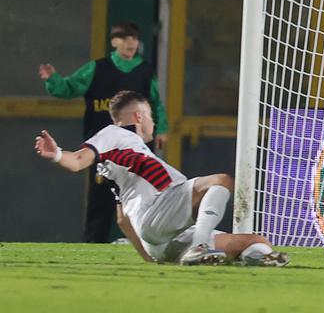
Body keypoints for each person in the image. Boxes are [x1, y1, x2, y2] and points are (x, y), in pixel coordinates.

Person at [34, 90, 288, 267]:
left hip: (162, 239)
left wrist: (148, 257)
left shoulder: (126, 158)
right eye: (152, 117)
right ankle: (199, 248)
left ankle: (248, 257)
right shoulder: (114, 134)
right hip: (159, 214)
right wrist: (56, 154)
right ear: (139, 116)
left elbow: (122, 219)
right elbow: (78, 161)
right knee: (221, 180)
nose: (154, 125)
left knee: (257, 241)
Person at [39, 21, 170, 243]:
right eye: (125, 38)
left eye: (134, 39)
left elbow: (156, 103)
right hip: (103, 150)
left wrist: (162, 128)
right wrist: (54, 81)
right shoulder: (97, 69)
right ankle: (93, 242)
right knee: (101, 199)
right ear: (114, 42)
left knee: (143, 196)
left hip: (136, 151)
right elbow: (69, 87)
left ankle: (146, 242)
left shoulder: (145, 71)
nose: (131, 43)